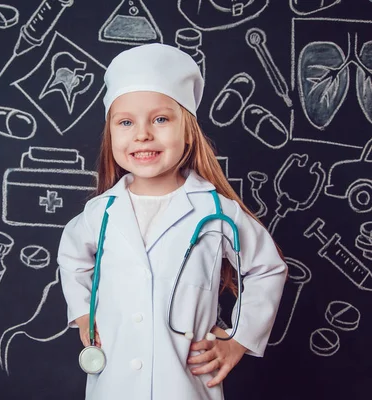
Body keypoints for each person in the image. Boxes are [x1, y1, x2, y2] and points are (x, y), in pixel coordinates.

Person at [57, 43, 288, 400]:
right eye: (126, 122)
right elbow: (72, 258)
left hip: (185, 387)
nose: (143, 134)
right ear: (111, 133)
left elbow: (267, 268)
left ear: (188, 130)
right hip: (114, 385)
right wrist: (84, 315)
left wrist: (239, 338)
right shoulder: (99, 213)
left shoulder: (216, 210)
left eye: (160, 119)